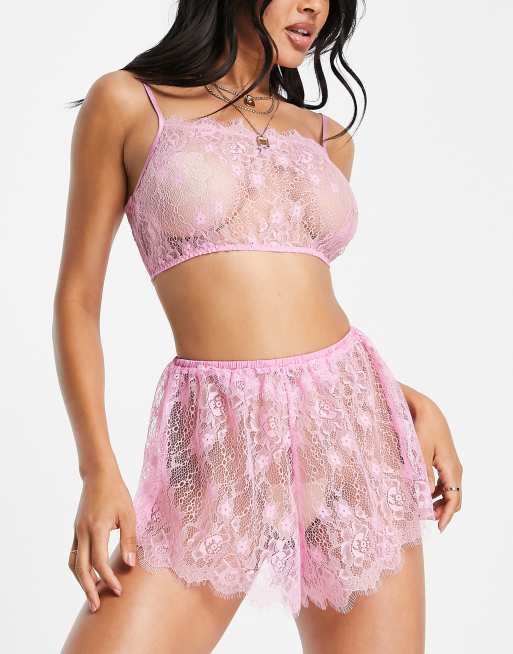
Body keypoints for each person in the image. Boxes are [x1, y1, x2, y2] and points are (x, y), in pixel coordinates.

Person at [53, 1, 463, 652]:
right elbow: (78, 299)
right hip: (218, 448)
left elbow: (295, 307)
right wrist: (97, 470)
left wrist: (406, 400)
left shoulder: (327, 139)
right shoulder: (129, 103)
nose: (315, 7)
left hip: (354, 447)